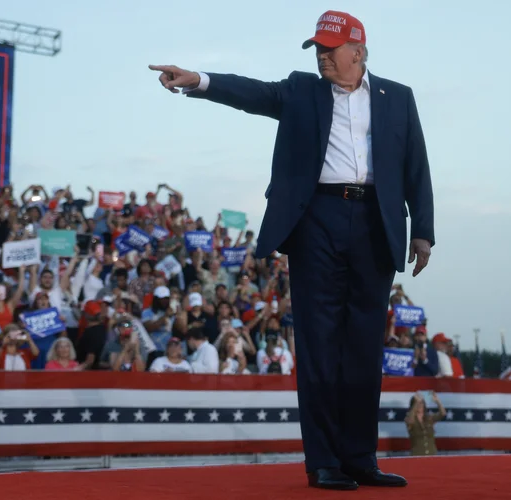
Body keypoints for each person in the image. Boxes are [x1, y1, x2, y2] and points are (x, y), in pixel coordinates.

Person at [148, 9, 434, 491]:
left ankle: (361, 459)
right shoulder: (303, 89)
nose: (322, 55)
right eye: (318, 47)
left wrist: (423, 230)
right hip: (316, 220)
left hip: (374, 224)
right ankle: (323, 462)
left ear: (357, 52)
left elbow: (416, 166)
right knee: (320, 344)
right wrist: (197, 79)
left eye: (331, 47)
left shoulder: (398, 98)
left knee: (364, 347)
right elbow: (252, 94)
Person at [404, 391, 446, 456]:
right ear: (413, 405)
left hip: (432, 455)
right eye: (418, 404)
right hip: (417, 456)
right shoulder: (409, 418)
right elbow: (410, 421)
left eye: (422, 403)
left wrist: (438, 401)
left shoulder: (429, 418)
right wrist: (417, 402)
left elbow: (442, 414)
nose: (420, 405)